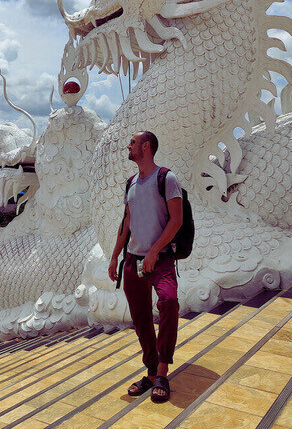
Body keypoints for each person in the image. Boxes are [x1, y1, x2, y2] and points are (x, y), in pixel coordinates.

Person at [108, 131, 183, 403]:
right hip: (132, 260)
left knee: (169, 302)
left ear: (146, 147)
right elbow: (126, 223)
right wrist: (115, 256)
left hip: (160, 258)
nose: (128, 146)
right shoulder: (130, 183)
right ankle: (151, 372)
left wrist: (153, 252)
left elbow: (177, 220)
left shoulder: (167, 179)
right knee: (140, 318)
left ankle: (163, 369)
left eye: (132, 143)